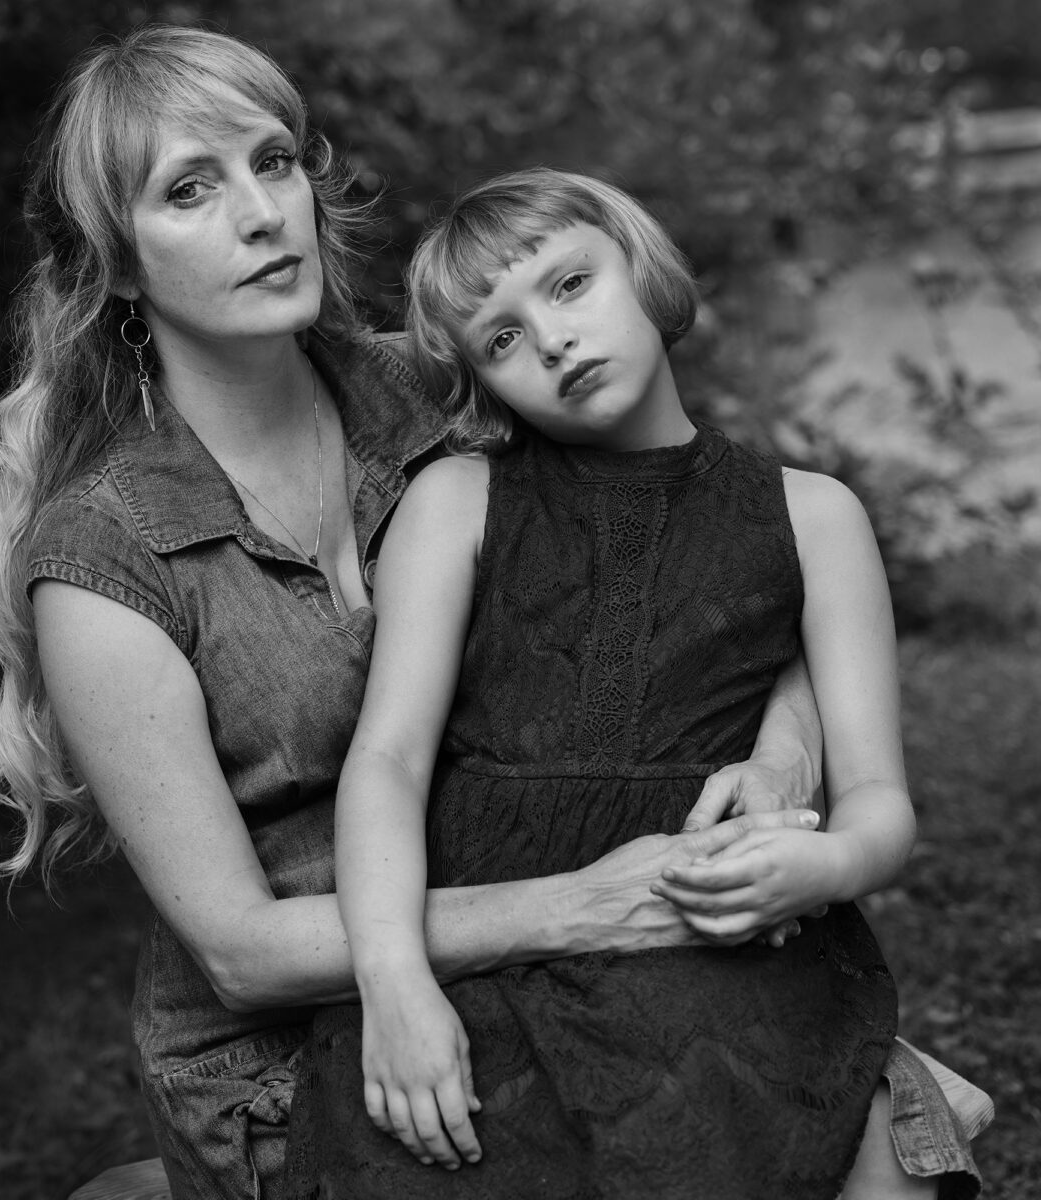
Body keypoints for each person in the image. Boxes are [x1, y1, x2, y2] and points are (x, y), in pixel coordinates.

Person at [0, 24, 985, 1200]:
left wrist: (789, 745)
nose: (259, 213)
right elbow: (241, 955)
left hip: (591, 983)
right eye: (190, 189)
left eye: (274, 160)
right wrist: (596, 908)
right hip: (302, 1037)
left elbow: (719, 556)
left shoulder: (445, 388)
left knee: (849, 1139)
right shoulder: (101, 559)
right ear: (120, 267)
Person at [283, 169, 986, 1200]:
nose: (553, 341)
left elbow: (881, 799)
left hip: (717, 965)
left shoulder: (815, 515)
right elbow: (387, 761)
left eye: (569, 286)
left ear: (642, 269)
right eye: (502, 340)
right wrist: (394, 987)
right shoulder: (460, 499)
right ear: (481, 385)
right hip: (490, 957)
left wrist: (828, 867)